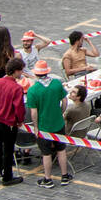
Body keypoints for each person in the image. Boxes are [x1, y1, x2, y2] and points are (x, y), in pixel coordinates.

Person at [26, 59, 71, 189]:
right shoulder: (57, 84)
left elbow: (34, 112)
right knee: (61, 150)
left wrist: (35, 127)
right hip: (58, 123)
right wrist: (61, 112)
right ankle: (64, 176)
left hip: (44, 126)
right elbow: (64, 101)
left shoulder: (33, 90)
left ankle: (48, 178)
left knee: (46, 153)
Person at [0, 58, 27, 186]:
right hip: (8, 123)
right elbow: (19, 108)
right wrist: (19, 120)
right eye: (20, 71)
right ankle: (7, 176)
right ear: (16, 71)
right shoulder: (16, 88)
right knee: (8, 149)